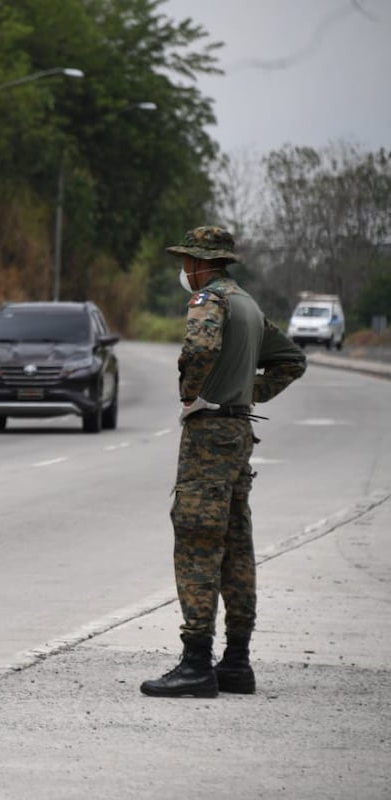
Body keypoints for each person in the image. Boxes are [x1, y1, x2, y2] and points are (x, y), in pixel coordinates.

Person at [141, 225, 306, 698]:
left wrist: (195, 396)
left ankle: (196, 661)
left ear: (197, 263)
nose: (184, 271)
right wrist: (244, 393)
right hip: (238, 430)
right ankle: (236, 661)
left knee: (197, 539)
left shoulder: (207, 301)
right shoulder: (250, 305)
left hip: (210, 433)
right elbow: (292, 360)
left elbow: (199, 348)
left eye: (185, 262)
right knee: (236, 542)